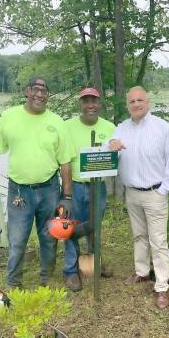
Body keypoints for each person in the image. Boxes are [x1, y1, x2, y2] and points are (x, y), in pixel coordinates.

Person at [0, 76, 75, 289]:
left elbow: (66, 162)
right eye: (36, 89)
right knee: (18, 239)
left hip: (49, 189)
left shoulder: (57, 122)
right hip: (19, 192)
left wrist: (66, 197)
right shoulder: (9, 117)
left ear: (47, 95)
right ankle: (14, 283)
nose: (40, 94)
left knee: (49, 238)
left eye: (44, 90)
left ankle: (46, 279)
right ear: (27, 92)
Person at [109, 86, 169, 309]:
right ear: (127, 105)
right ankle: (141, 272)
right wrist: (111, 145)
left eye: (140, 100)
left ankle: (161, 286)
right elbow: (110, 148)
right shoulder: (121, 128)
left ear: (148, 102)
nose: (137, 104)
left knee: (158, 240)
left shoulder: (162, 128)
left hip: (155, 193)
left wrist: (165, 189)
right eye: (132, 101)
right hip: (132, 193)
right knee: (139, 235)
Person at [63, 87, 115, 292]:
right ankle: (70, 271)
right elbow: (62, 157)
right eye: (86, 101)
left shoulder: (110, 127)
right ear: (81, 104)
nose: (90, 105)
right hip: (75, 186)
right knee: (71, 228)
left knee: (95, 226)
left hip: (98, 186)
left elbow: (116, 154)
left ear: (100, 103)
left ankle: (95, 262)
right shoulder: (67, 127)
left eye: (94, 100)